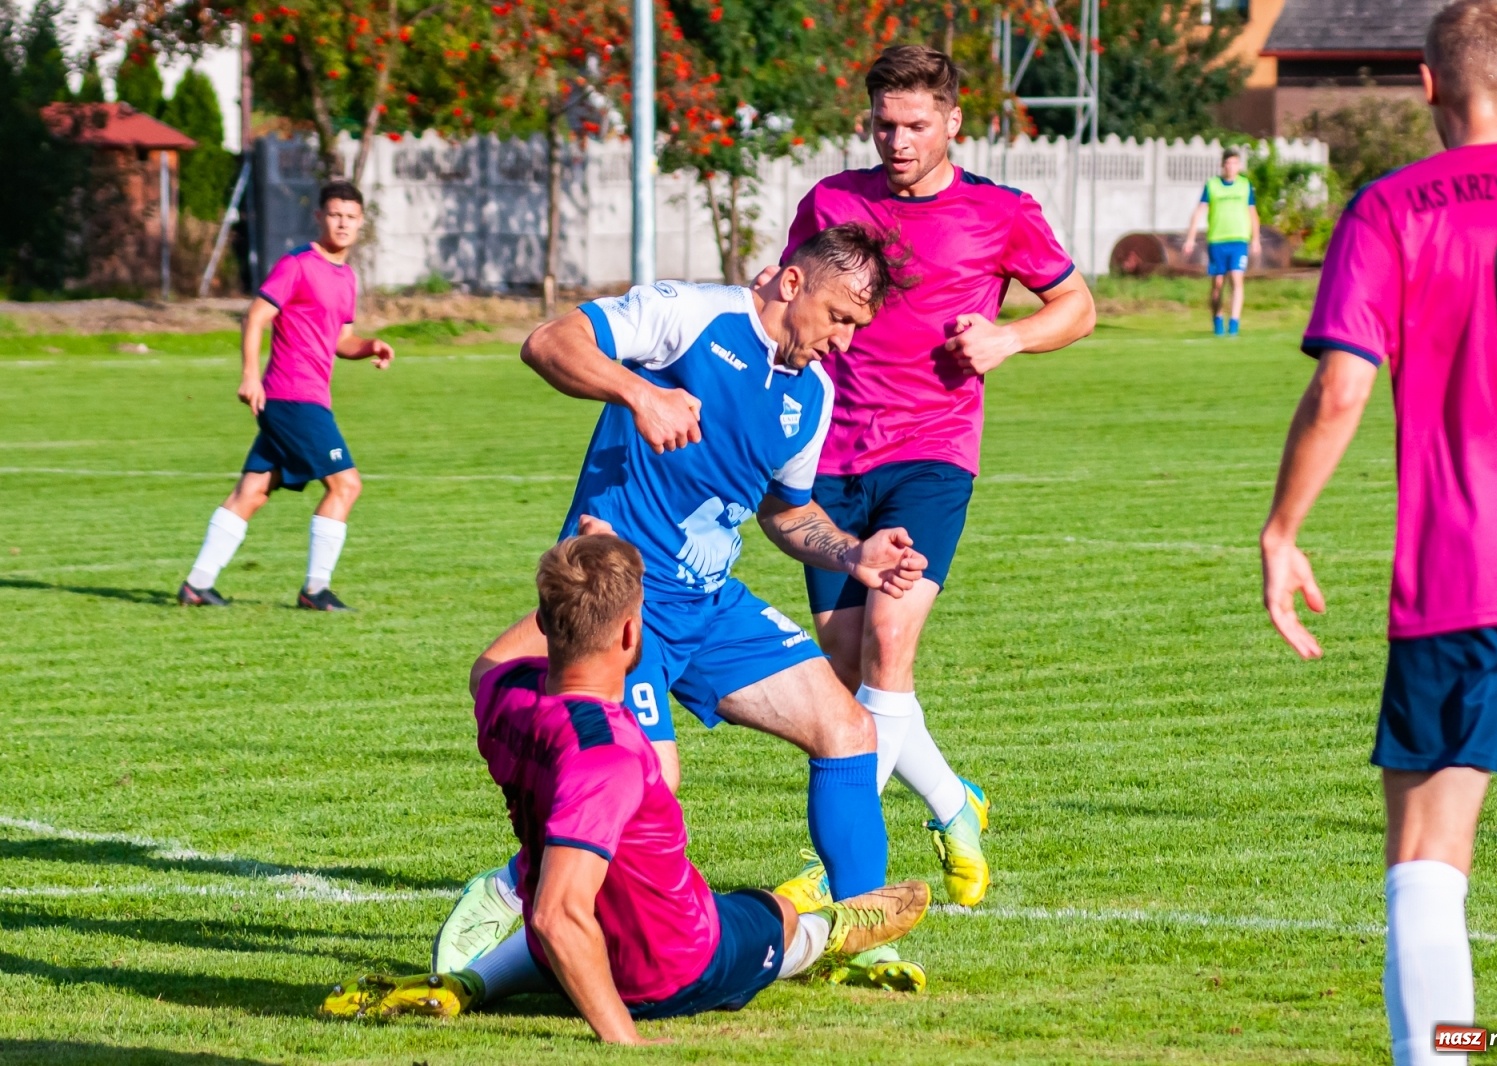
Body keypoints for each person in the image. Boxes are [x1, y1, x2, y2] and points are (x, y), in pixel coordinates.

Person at [433, 223, 935, 993]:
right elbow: (546, 341)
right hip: (623, 604)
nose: (843, 340)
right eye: (839, 317)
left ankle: (859, 938)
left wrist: (853, 553)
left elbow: (785, 513)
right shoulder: (689, 316)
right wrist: (639, 391)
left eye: (857, 329)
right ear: (791, 283)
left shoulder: (812, 392)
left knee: (847, 729)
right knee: (646, 790)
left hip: (709, 604)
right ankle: (512, 887)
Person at [1259, 3, 1497, 1063]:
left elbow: (1341, 390)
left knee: (1427, 857)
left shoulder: (1392, 207)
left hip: (1465, 573)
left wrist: (1281, 529)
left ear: (1424, 86)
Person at [321, 535, 931, 1042]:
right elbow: (560, 915)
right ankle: (838, 929)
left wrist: (581, 575)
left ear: (546, 621)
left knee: (587, 902)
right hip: (671, 970)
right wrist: (623, 1038)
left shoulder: (504, 696)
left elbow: (487, 663)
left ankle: (473, 982)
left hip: (571, 954)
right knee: (772, 912)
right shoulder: (606, 754)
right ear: (632, 634)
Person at [773, 45, 1096, 925]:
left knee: (890, 638)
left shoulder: (1001, 212)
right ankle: (955, 804)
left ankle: (834, 863)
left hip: (931, 453)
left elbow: (1079, 306)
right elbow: (788, 293)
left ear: (954, 120)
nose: (899, 140)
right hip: (828, 463)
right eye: (885, 123)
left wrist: (1009, 339)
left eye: (917, 124)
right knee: (847, 676)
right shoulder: (833, 200)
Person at [176, 180, 393, 611]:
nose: (343, 223)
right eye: (335, 215)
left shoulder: (347, 277)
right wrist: (249, 376)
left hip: (304, 398)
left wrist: (369, 346)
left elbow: (340, 340)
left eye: (351, 217)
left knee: (252, 492)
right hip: (292, 397)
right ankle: (315, 590)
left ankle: (196, 585)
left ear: (361, 222)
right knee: (346, 485)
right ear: (320, 217)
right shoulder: (297, 264)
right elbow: (255, 317)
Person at [1181, 146, 1262, 337]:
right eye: (1227, 163)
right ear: (1222, 166)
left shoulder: (1245, 185)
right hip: (1217, 240)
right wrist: (1190, 238)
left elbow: (1253, 213)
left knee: (1236, 278)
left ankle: (1234, 324)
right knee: (1217, 284)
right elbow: (1199, 211)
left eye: (1234, 163)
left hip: (1239, 239)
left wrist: (1256, 239)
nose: (1231, 167)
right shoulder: (1212, 185)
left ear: (1239, 166)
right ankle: (1217, 320)